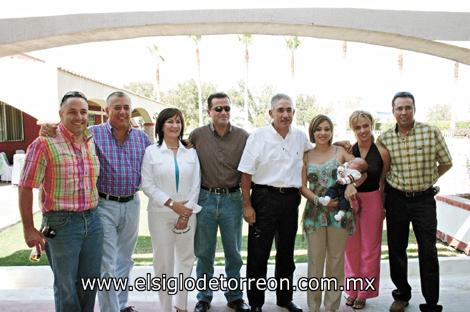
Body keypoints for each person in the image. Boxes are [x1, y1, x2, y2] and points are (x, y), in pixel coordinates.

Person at [40, 91, 152, 312]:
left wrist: (186, 144)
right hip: (103, 206)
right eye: (117, 107)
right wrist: (47, 128)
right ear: (107, 110)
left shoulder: (142, 139)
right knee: (106, 264)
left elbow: (161, 156)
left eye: (126, 108)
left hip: (133, 203)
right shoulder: (92, 134)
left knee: (125, 261)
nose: (122, 112)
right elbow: (65, 134)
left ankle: (120, 305)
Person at [19, 91, 103, 312]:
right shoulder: (44, 143)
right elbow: (26, 186)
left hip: (93, 221)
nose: (79, 117)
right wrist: (29, 228)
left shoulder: (90, 140)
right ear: (61, 114)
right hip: (60, 224)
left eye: (83, 112)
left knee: (90, 282)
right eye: (72, 112)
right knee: (66, 286)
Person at [377, 92, 452, 312]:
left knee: (428, 250)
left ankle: (431, 302)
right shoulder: (385, 138)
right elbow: (378, 166)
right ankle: (401, 294)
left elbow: (446, 163)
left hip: (424, 201)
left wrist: (431, 179)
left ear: (414, 109)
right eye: (399, 108)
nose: (403, 112)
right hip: (396, 200)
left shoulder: (431, 132)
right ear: (393, 111)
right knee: (396, 249)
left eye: (407, 107)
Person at [239, 93, 309, 312]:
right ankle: (256, 303)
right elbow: (246, 174)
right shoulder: (258, 136)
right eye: (280, 110)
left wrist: (341, 146)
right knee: (259, 254)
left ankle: (284, 299)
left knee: (286, 253)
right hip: (264, 198)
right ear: (271, 113)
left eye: (289, 110)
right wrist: (247, 205)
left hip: (290, 200)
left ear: (294, 113)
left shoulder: (300, 136)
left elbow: (318, 151)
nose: (285, 114)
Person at [190, 92, 250, 312]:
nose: (223, 112)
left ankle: (235, 297)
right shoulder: (197, 135)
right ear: (209, 112)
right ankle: (204, 297)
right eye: (218, 109)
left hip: (232, 200)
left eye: (226, 108)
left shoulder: (244, 136)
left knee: (233, 253)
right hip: (204, 199)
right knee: (204, 252)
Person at [141, 108, 201, 312]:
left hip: (188, 214)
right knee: (164, 263)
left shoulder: (191, 152)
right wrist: (172, 205)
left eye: (178, 121)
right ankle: (166, 308)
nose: (175, 125)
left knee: (185, 260)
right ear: (161, 126)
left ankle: (181, 306)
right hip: (160, 214)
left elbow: (196, 184)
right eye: (170, 121)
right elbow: (147, 185)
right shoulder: (151, 152)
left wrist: (186, 211)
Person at [300, 114, 356, 312]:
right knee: (315, 262)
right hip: (315, 214)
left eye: (326, 129)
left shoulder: (340, 151)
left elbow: (361, 167)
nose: (322, 133)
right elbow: (301, 185)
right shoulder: (306, 155)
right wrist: (318, 200)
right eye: (318, 129)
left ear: (332, 132)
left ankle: (331, 307)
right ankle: (313, 307)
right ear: (312, 132)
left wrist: (351, 185)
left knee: (335, 261)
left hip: (339, 214)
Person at [343, 110, 390, 310]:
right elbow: (343, 178)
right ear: (353, 129)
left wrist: (383, 206)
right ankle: (352, 290)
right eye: (357, 127)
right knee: (351, 248)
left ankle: (364, 292)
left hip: (373, 200)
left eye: (365, 125)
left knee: (370, 249)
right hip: (351, 200)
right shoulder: (348, 150)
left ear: (372, 125)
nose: (362, 130)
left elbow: (383, 181)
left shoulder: (382, 151)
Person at [319, 157, 368, 222]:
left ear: (359, 169)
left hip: (344, 186)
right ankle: (326, 199)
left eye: (354, 162)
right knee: (332, 189)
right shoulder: (347, 166)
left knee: (343, 199)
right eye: (352, 160)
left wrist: (344, 181)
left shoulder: (357, 173)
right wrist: (341, 171)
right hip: (339, 183)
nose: (351, 162)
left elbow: (351, 178)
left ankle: (341, 213)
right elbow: (341, 167)